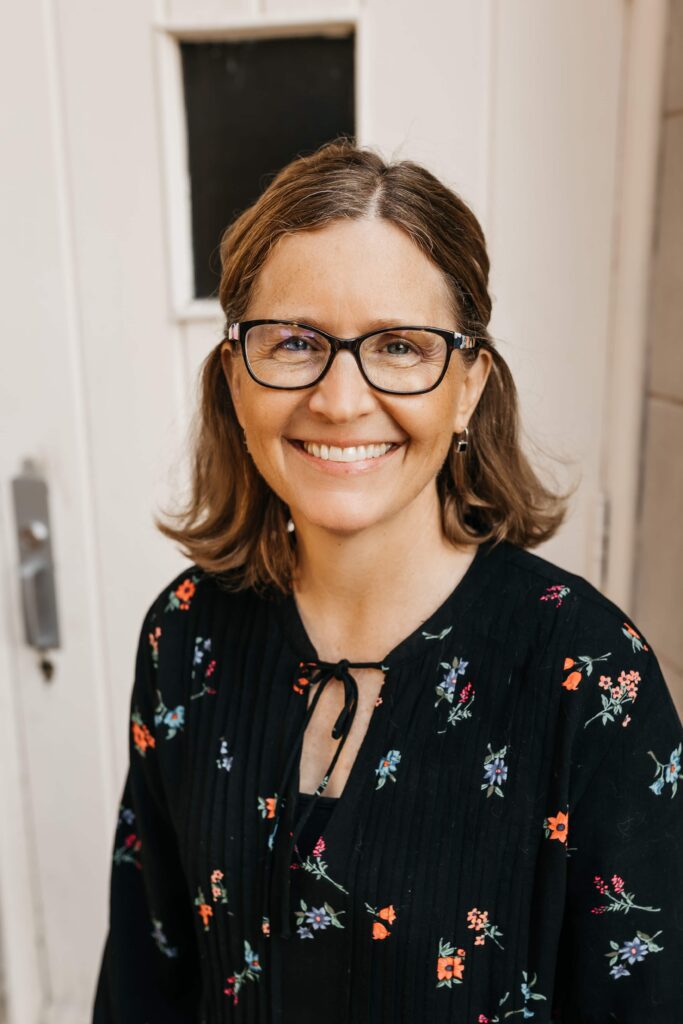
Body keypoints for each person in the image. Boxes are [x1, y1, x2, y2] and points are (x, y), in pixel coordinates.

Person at [92, 139, 683, 1023]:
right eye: (294, 341)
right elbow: (149, 978)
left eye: (399, 346)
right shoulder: (185, 635)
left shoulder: (589, 675)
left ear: (468, 385)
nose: (339, 398)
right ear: (233, 376)